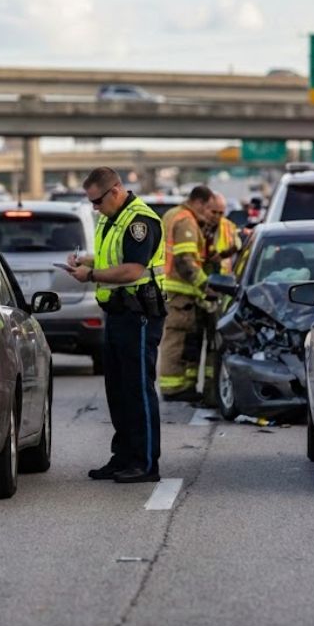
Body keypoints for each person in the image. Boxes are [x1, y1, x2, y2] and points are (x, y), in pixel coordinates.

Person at [64, 167, 166, 484]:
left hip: (139, 314)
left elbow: (133, 270)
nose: (94, 207)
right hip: (118, 313)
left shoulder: (139, 221)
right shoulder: (112, 217)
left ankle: (146, 463)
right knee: (118, 391)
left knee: (137, 390)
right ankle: (123, 456)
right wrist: (88, 262)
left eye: (97, 201)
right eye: (91, 203)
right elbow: (113, 260)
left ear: (116, 191)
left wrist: (91, 276)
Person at [157, 185, 214, 402]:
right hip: (180, 291)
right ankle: (173, 388)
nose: (208, 213)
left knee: (185, 340)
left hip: (172, 289)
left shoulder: (172, 214)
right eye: (207, 207)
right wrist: (205, 285)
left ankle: (183, 386)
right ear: (198, 202)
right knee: (177, 339)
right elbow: (185, 260)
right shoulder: (186, 220)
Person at [202, 193, 241, 276]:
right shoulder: (196, 224)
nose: (217, 216)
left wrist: (223, 255)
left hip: (223, 279)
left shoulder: (229, 226)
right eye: (214, 212)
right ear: (205, 209)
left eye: (221, 213)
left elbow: (238, 244)